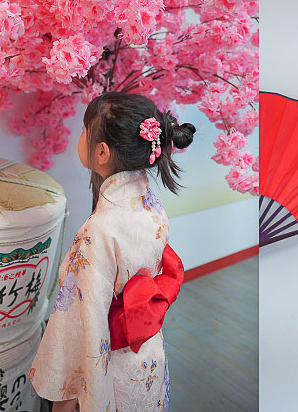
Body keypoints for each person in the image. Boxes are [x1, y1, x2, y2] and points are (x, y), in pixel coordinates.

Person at [29, 92, 195, 411]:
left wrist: (68, 396)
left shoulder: (101, 227)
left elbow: (85, 318)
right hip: (145, 351)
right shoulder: (151, 203)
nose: (79, 137)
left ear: (102, 152)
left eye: (83, 130)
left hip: (110, 355)